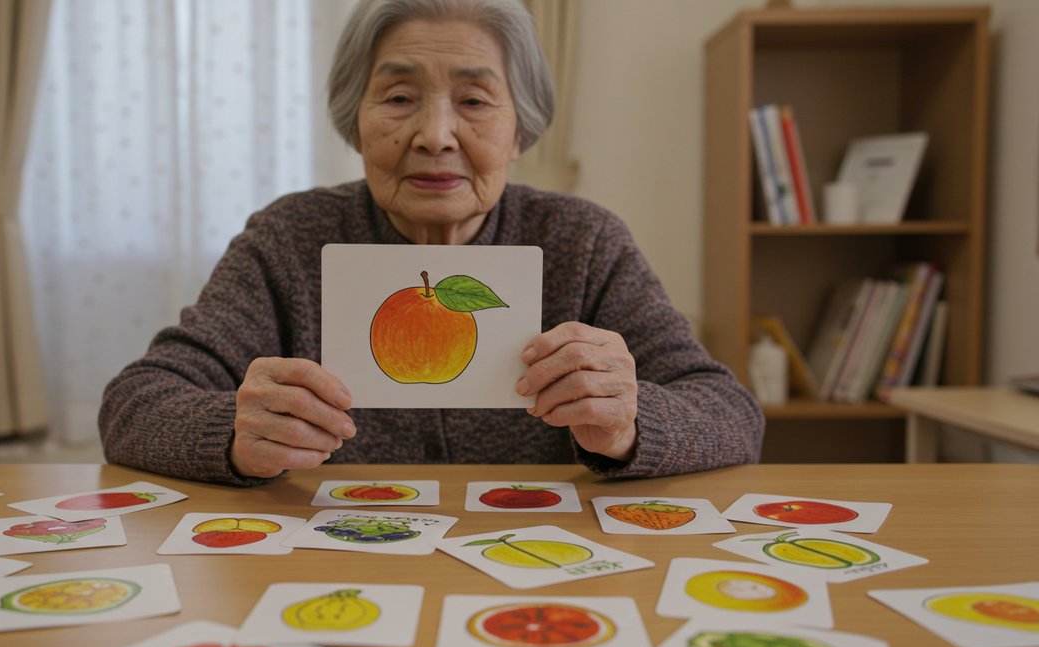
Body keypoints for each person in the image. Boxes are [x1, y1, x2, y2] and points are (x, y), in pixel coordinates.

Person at [99, 0, 763, 486]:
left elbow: (732, 414)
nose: (435, 135)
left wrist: (631, 422)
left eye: (474, 101)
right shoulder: (289, 238)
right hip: (336, 556)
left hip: (535, 566)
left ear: (520, 129)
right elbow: (134, 404)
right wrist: (234, 434)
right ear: (354, 123)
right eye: (397, 98)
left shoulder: (582, 241)